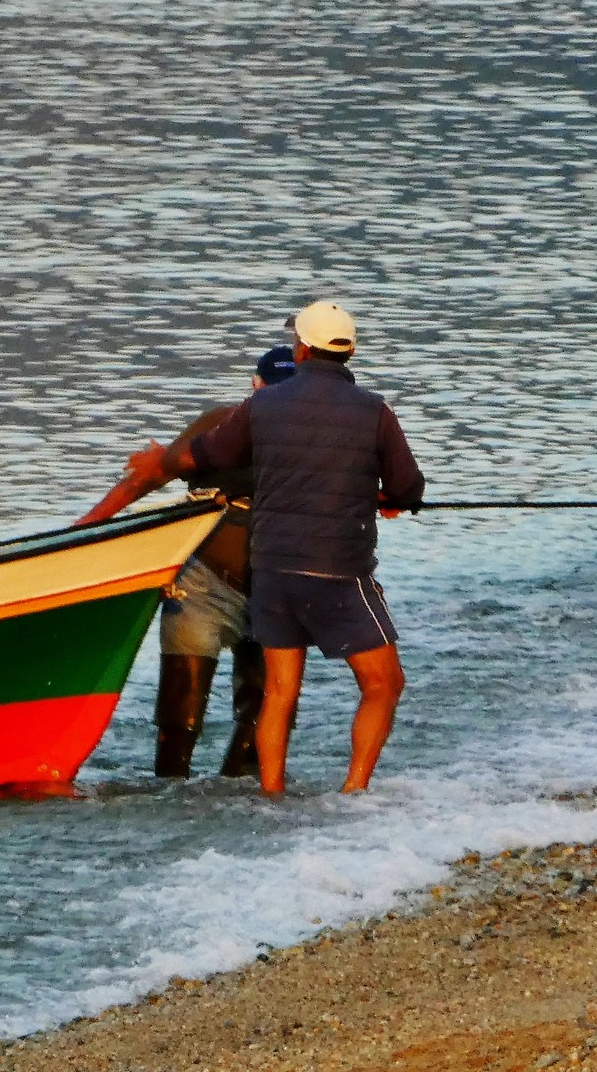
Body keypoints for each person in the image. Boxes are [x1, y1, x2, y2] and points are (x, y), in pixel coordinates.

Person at [125, 301, 425, 795]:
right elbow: (408, 486)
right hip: (337, 571)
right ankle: (353, 791)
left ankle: (271, 793)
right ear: (348, 351)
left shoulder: (261, 406)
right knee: (383, 684)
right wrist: (390, 499)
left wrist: (162, 459)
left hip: (272, 571)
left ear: (303, 349)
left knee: (279, 692)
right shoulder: (374, 411)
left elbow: (208, 453)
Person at [78, 345, 300, 779]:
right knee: (180, 711)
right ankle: (171, 792)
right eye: (271, 393)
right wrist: (87, 526)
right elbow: (152, 475)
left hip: (282, 588)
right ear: (255, 387)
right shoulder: (219, 425)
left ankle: (242, 798)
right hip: (203, 583)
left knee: (264, 708)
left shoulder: (315, 441)